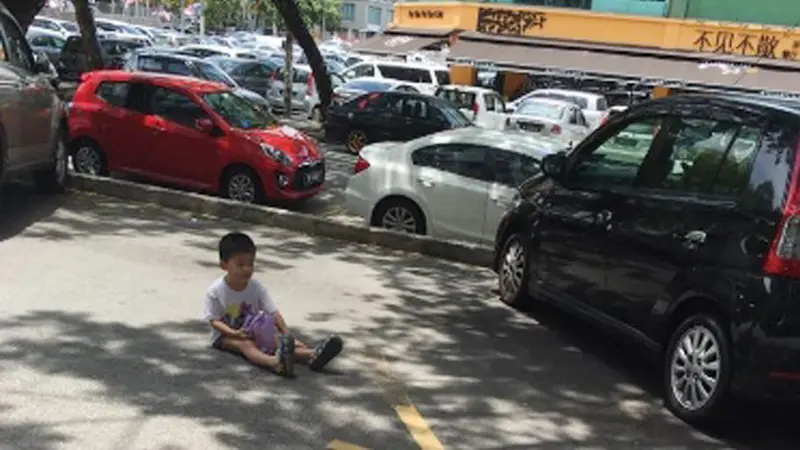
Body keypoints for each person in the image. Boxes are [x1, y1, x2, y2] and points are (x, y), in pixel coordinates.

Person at [204, 232, 343, 377]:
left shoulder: (256, 287)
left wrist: (285, 333)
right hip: (225, 335)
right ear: (223, 265)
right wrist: (234, 333)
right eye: (240, 264)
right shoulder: (216, 291)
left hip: (253, 330)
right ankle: (275, 363)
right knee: (246, 345)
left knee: (278, 341)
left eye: (250, 263)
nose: (247, 269)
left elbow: (272, 312)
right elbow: (214, 321)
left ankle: (312, 355)